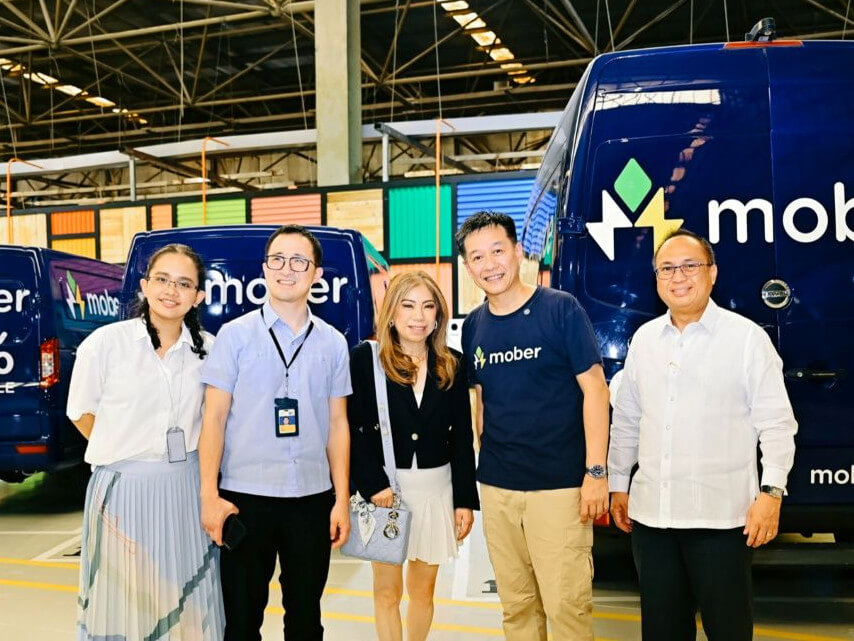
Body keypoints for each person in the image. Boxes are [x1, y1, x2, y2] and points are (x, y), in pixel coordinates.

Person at [608, 229, 798, 641]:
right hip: (653, 519)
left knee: (728, 630)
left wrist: (771, 493)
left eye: (689, 266)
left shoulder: (746, 339)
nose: (678, 277)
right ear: (656, 279)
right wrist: (618, 484)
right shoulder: (644, 340)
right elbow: (627, 419)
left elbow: (777, 423)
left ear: (712, 273)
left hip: (722, 520)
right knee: (662, 632)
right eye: (667, 269)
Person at [456, 211, 610, 641]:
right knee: (517, 606)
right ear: (467, 267)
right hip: (498, 488)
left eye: (498, 251)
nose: (490, 264)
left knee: (566, 607)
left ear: (518, 252)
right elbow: (481, 401)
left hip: (558, 488)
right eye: (477, 257)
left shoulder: (560, 309)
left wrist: (596, 471)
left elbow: (596, 391)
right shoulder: (474, 326)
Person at [198, 224, 351, 641]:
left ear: (316, 274)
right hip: (245, 498)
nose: (287, 269)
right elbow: (213, 419)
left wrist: (341, 499)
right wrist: (209, 495)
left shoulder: (333, 343)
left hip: (311, 500)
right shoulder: (234, 336)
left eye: (299, 261)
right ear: (264, 269)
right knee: (241, 622)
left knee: (305, 620)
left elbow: (338, 424)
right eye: (277, 260)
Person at [67, 243, 224, 641]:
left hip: (186, 489)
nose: (172, 290)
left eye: (184, 283)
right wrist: (124, 450)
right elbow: (80, 412)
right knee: (124, 600)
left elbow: (215, 421)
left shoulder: (211, 349)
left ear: (198, 296)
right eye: (162, 279)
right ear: (144, 285)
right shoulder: (106, 343)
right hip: (122, 492)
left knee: (185, 601)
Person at [348, 271, 479, 641]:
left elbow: (462, 436)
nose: (418, 316)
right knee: (387, 592)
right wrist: (372, 484)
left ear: (438, 315)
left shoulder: (452, 362)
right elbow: (351, 429)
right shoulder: (366, 359)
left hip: (437, 491)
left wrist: (464, 500)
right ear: (392, 313)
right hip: (385, 492)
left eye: (427, 306)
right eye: (408, 306)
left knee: (423, 592)